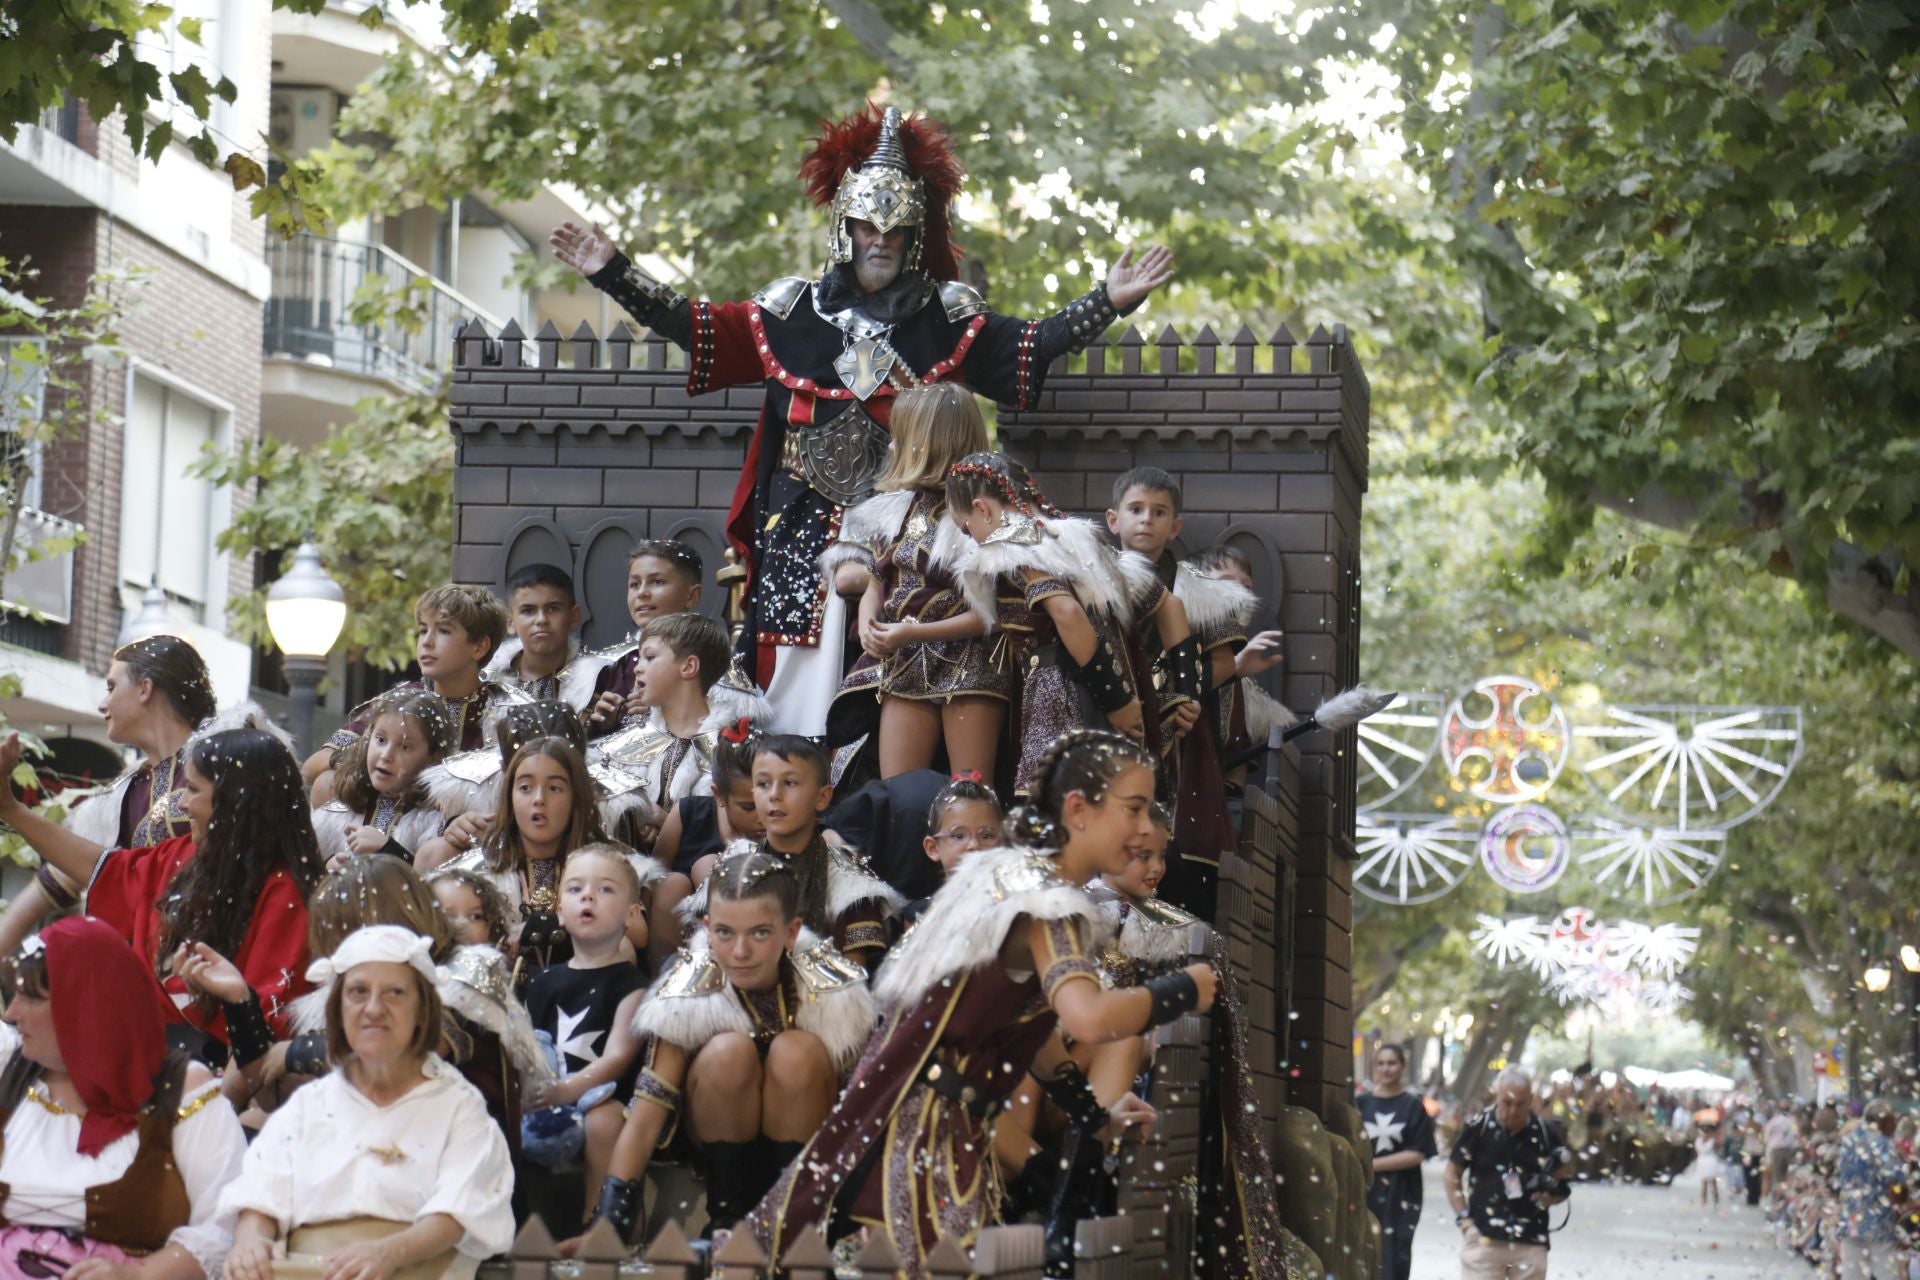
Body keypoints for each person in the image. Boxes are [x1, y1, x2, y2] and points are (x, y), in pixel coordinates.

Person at [551, 103, 1174, 734]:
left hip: (909, 524)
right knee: (787, 671)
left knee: (904, 659)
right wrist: (614, 273)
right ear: (844, 229)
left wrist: (1105, 303)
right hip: (798, 519)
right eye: (868, 227)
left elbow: (1031, 344)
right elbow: (696, 326)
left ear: (913, 237)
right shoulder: (787, 310)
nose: (880, 241)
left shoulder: (948, 317)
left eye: (895, 230)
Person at [747, 730, 1219, 1278]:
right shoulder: (1046, 904)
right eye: (1133, 809)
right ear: (1078, 809)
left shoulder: (1009, 879)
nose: (1145, 830)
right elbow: (1085, 1015)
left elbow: (1027, 1028)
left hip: (935, 1128)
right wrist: (1183, 989)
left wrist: (1092, 1116)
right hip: (927, 1142)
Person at [582, 852, 876, 1244]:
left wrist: (870, 1213)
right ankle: (727, 1221)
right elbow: (648, 1113)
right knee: (728, 1054)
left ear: (791, 932)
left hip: (809, 1141)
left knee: (796, 1052)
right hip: (714, 1140)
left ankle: (794, 1220)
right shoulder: (686, 990)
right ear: (707, 926)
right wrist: (609, 1223)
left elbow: (866, 1107)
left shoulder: (835, 991)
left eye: (759, 933)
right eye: (724, 933)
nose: (740, 951)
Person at [0, 727, 323, 1059]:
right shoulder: (184, 855)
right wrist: (10, 808)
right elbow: (102, 870)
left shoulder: (287, 894)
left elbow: (264, 1030)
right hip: (136, 1060)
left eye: (193, 790)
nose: (182, 804)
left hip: (214, 1086)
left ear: (235, 801)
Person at [222, 926, 515, 1280]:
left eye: (395, 993)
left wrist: (389, 1253)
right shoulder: (309, 1106)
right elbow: (261, 1197)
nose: (374, 1009)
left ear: (423, 1011)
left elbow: (458, 1214)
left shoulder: (460, 1107)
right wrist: (249, 1243)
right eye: (359, 992)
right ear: (338, 1009)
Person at [0, 917, 249, 1280]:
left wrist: (138, 1275)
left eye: (31, 998)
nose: (11, 1013)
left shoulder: (179, 1089)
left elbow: (226, 1223)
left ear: (84, 1007)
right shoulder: (11, 1068)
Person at [944, 452, 1158, 791]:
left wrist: (1115, 700)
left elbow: (1067, 613)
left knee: (1059, 809)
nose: (971, 540)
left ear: (982, 509)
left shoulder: (1012, 548)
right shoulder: (1068, 540)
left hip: (1061, 695)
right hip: (1100, 682)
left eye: (966, 528)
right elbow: (1166, 602)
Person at [822, 381, 1002, 780]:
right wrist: (870, 621)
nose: (889, 447)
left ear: (930, 444)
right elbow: (875, 577)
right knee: (898, 794)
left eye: (899, 438)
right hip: (904, 665)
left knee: (971, 792)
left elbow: (988, 617)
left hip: (968, 667)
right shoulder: (896, 509)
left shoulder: (980, 513)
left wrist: (911, 634)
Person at [435, 737, 658, 982]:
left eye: (554, 788)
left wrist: (546, 928)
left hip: (577, 993)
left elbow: (637, 933)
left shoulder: (607, 861)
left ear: (576, 797)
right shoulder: (478, 867)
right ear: (510, 797)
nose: (539, 799)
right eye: (525, 788)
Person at [682, 735, 901, 970]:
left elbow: (851, 982)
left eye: (790, 783)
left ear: (822, 797)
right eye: (764, 784)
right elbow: (704, 958)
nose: (774, 795)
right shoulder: (732, 866)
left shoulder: (850, 887)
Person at [520, 846, 651, 1218]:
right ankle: (522, 1224)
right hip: (549, 1095)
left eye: (606, 889)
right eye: (575, 890)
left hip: (602, 1100)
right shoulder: (541, 981)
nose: (588, 896)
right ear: (560, 912)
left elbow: (616, 1058)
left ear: (631, 915)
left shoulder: (633, 986)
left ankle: (599, 1223)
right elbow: (528, 1047)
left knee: (603, 1118)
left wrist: (566, 1092)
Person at [308, 583, 517, 800]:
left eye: (444, 631)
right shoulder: (400, 701)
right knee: (327, 783)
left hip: (460, 827)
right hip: (379, 824)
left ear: (479, 647)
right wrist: (367, 758)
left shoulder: (508, 710)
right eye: (423, 630)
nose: (426, 642)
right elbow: (313, 766)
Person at [1445, 1065, 1571, 1279]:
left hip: (1530, 1241)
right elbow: (1451, 1175)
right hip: (1484, 1238)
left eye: (1520, 1104)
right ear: (1497, 1096)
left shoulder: (1545, 1133)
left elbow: (1562, 1181)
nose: (1513, 1110)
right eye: (1507, 1102)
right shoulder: (1479, 1127)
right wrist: (1464, 1220)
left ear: (1531, 1099)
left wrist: (1551, 1196)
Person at [312, 688, 458, 868]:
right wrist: (328, 867)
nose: (386, 755)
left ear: (433, 757)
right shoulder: (334, 815)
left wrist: (389, 849)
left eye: (405, 747)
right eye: (380, 740)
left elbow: (431, 887)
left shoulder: (435, 822)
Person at [586, 540, 706, 735]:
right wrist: (603, 724)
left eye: (657, 582)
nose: (642, 592)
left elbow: (721, 732)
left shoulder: (710, 659)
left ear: (691, 596)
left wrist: (663, 710)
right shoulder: (613, 667)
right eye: (634, 584)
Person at [1358, 1042, 1438, 1280]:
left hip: (1402, 1193)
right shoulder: (1361, 1104)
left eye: (1392, 1063)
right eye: (1381, 1063)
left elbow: (1417, 1153)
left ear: (1402, 1066)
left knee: (1396, 1255)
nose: (1386, 1069)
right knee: (1366, 1251)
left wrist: (1373, 1166)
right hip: (1366, 1192)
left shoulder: (1413, 1105)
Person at [487, 563, 610, 713]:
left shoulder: (597, 679)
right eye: (528, 611)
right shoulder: (486, 680)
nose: (541, 620)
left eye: (553, 609)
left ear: (574, 616)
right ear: (510, 622)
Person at [650, 730, 765, 881]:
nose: (763, 816)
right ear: (719, 796)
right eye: (749, 808)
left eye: (769, 802)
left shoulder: (781, 829)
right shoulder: (688, 814)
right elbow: (652, 877)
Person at [899, 773, 1004, 928]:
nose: (974, 845)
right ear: (933, 848)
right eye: (959, 836)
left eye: (986, 835)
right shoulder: (920, 915)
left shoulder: (1016, 910)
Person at [1832, 1100, 1905, 1279]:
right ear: (1885, 1122)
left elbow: (1839, 1178)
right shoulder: (1884, 1144)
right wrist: (1902, 1201)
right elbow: (1895, 1182)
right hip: (1879, 1220)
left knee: (1852, 1272)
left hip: (1851, 1217)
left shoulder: (1849, 1142)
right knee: (1886, 1271)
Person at [1764, 1098, 1800, 1205]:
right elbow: (1796, 1133)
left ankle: (1777, 1200)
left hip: (1778, 1150)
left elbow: (1767, 1135)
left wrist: (1769, 1147)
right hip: (1789, 1150)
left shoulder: (1774, 1121)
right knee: (1787, 1176)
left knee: (1777, 1177)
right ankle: (1783, 1199)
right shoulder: (1792, 1120)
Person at [1695, 1117, 1724, 1208]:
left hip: (1702, 1161)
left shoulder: (1698, 1140)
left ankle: (1703, 1201)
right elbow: (1719, 1147)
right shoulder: (1713, 1140)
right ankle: (1716, 1200)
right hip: (1711, 1160)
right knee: (1713, 1182)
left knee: (1704, 1182)